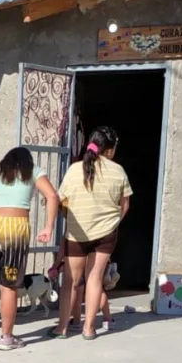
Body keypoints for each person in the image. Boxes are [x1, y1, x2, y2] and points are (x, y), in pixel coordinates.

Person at [0, 147, 59, 349]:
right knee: (9, 286)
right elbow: (52, 196)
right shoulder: (33, 171)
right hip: (17, 228)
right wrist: (48, 226)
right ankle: (7, 338)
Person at [49, 126, 131, 340]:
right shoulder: (118, 170)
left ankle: (62, 328)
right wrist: (113, 222)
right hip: (105, 234)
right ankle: (89, 328)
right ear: (110, 150)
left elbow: (61, 201)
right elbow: (125, 205)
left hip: (76, 233)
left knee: (70, 282)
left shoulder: (75, 169)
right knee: (94, 279)